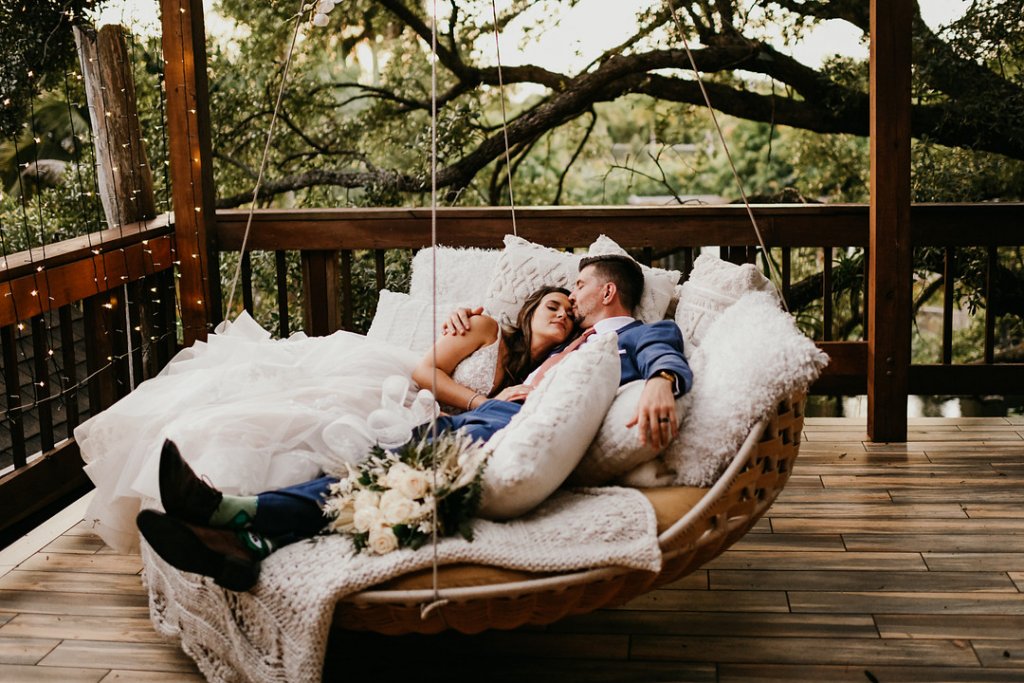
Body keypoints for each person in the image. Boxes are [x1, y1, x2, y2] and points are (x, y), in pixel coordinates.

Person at [137, 254, 693, 591]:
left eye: (578, 287)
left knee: (387, 477)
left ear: (607, 291)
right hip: (498, 411)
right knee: (376, 471)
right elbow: (503, 350)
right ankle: (250, 547)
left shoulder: (633, 334)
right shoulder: (568, 339)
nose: (572, 298)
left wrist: (662, 385)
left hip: (510, 423)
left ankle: (231, 513)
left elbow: (667, 353)